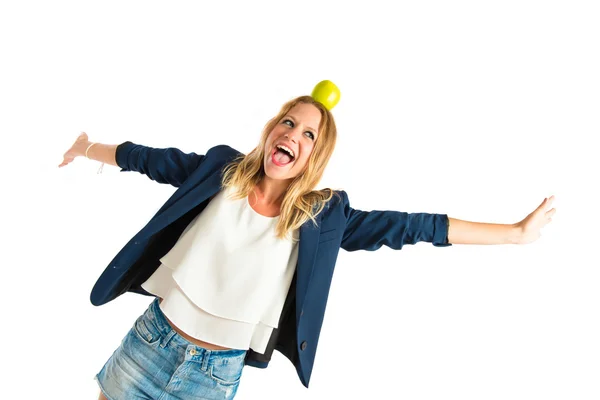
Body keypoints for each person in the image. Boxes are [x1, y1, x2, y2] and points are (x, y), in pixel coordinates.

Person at [59, 84, 556, 400]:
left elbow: (413, 227)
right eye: (289, 122)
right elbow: (147, 158)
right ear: (272, 130)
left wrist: (514, 234)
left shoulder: (322, 216)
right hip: (152, 342)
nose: (294, 133)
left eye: (310, 134)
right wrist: (86, 149)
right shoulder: (221, 170)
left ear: (314, 156)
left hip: (212, 376)